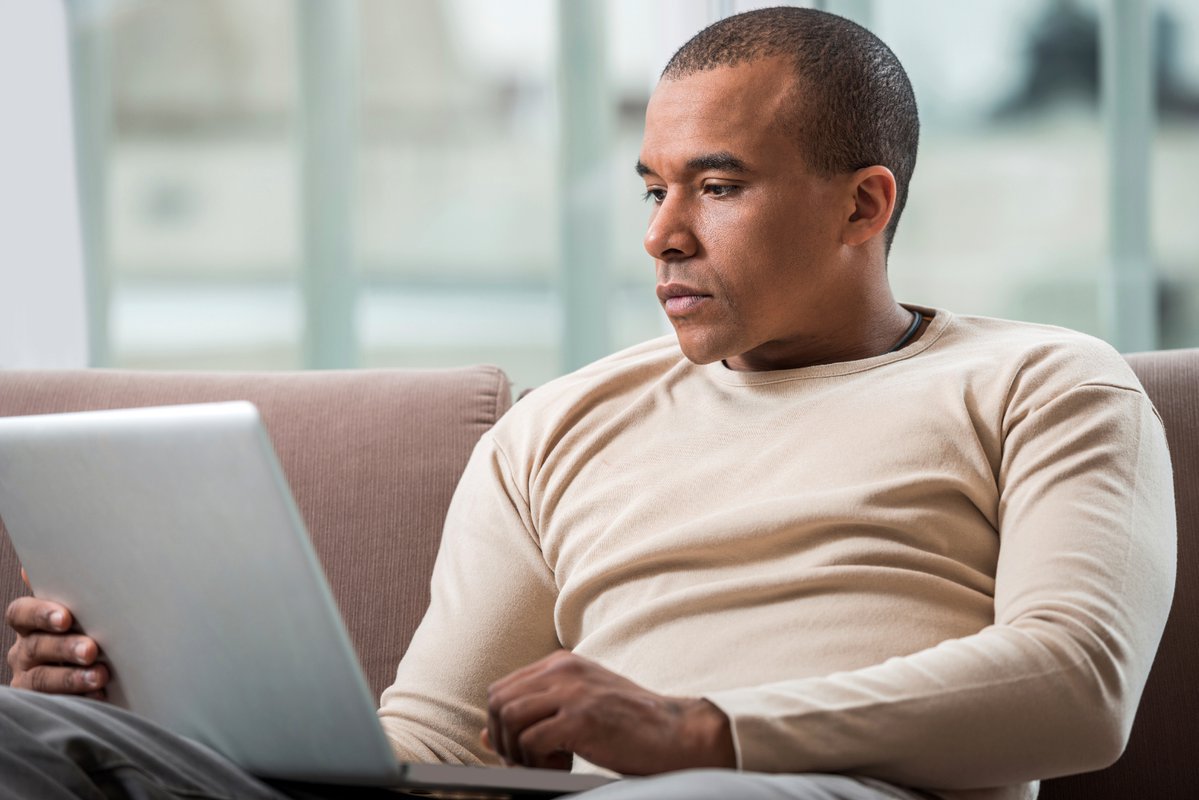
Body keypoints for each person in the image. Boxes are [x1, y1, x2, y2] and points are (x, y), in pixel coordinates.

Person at [2, 8, 1175, 800]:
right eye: (654, 185)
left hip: (820, 790)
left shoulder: (1044, 384)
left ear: (861, 205)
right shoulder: (563, 424)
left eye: (717, 186)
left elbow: (1073, 683)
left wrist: (700, 729)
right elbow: (434, 742)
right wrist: (142, 697)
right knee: (24, 733)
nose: (661, 233)